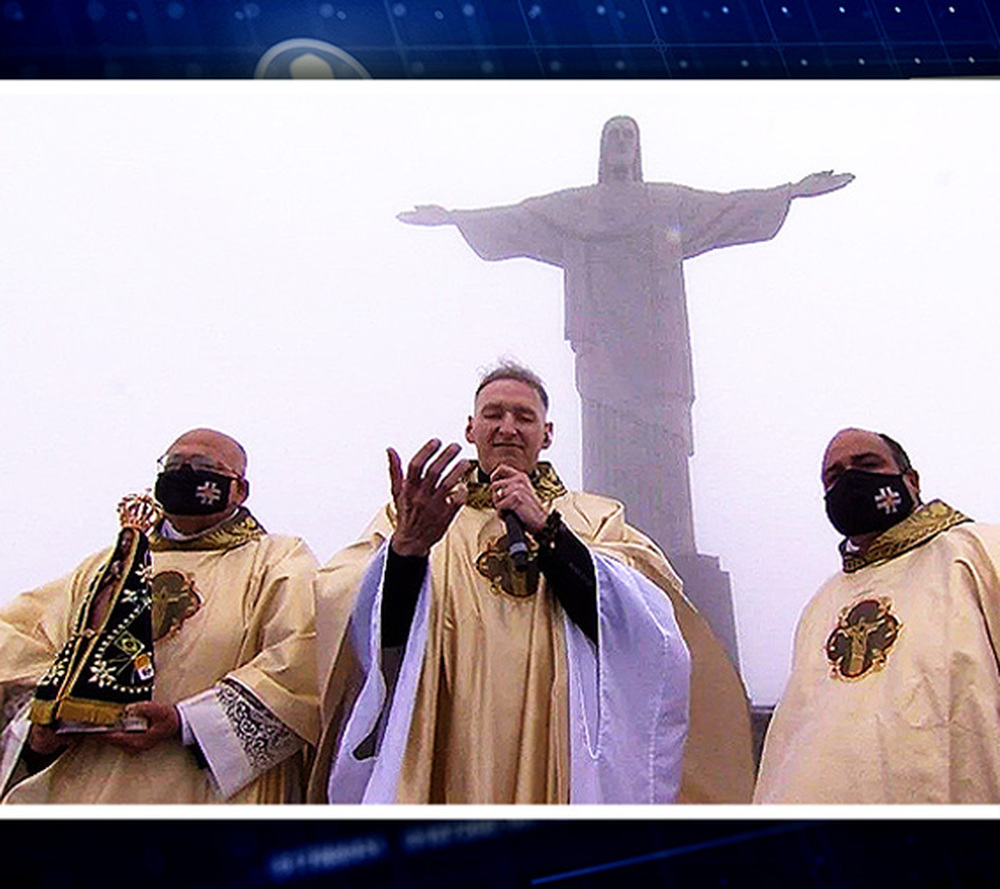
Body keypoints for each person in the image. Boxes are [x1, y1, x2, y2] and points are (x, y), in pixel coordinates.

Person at [398, 116, 853, 574]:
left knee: (664, 444)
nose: (620, 143)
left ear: (637, 147)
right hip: (601, 356)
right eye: (613, 135)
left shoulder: (666, 203)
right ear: (602, 147)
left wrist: (789, 192)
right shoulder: (577, 208)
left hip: (660, 356)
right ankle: (605, 537)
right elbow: (520, 219)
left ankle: (670, 548)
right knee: (608, 440)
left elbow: (728, 210)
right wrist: (455, 218)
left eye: (627, 136)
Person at [310, 362, 753, 804]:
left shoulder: (597, 519)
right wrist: (407, 552)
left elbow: (646, 631)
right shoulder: (417, 515)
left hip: (558, 742)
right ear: (470, 428)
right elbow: (356, 624)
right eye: (493, 415)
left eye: (524, 417)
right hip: (444, 734)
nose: (507, 428)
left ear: (547, 434)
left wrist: (548, 529)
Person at [0, 428, 319, 804]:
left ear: (240, 490)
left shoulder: (277, 560)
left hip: (203, 793)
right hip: (86, 791)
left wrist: (185, 722)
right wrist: (41, 728)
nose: (185, 473)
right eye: (174, 464)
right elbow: (18, 648)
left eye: (203, 466)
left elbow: (302, 664)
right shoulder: (108, 566)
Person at [754, 427, 1000, 803]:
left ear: (911, 481)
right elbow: (792, 737)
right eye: (834, 476)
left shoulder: (979, 552)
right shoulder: (821, 603)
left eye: (867, 464)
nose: (850, 479)